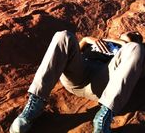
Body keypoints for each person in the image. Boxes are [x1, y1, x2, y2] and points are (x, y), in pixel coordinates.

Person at [10, 30, 144, 133]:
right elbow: (68, 52)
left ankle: (103, 119)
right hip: (78, 74)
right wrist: (86, 40)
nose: (136, 33)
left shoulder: (131, 50)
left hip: (103, 81)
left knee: (135, 48)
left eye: (139, 36)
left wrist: (125, 43)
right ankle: (34, 106)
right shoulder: (96, 41)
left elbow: (134, 65)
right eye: (132, 32)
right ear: (121, 33)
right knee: (63, 35)